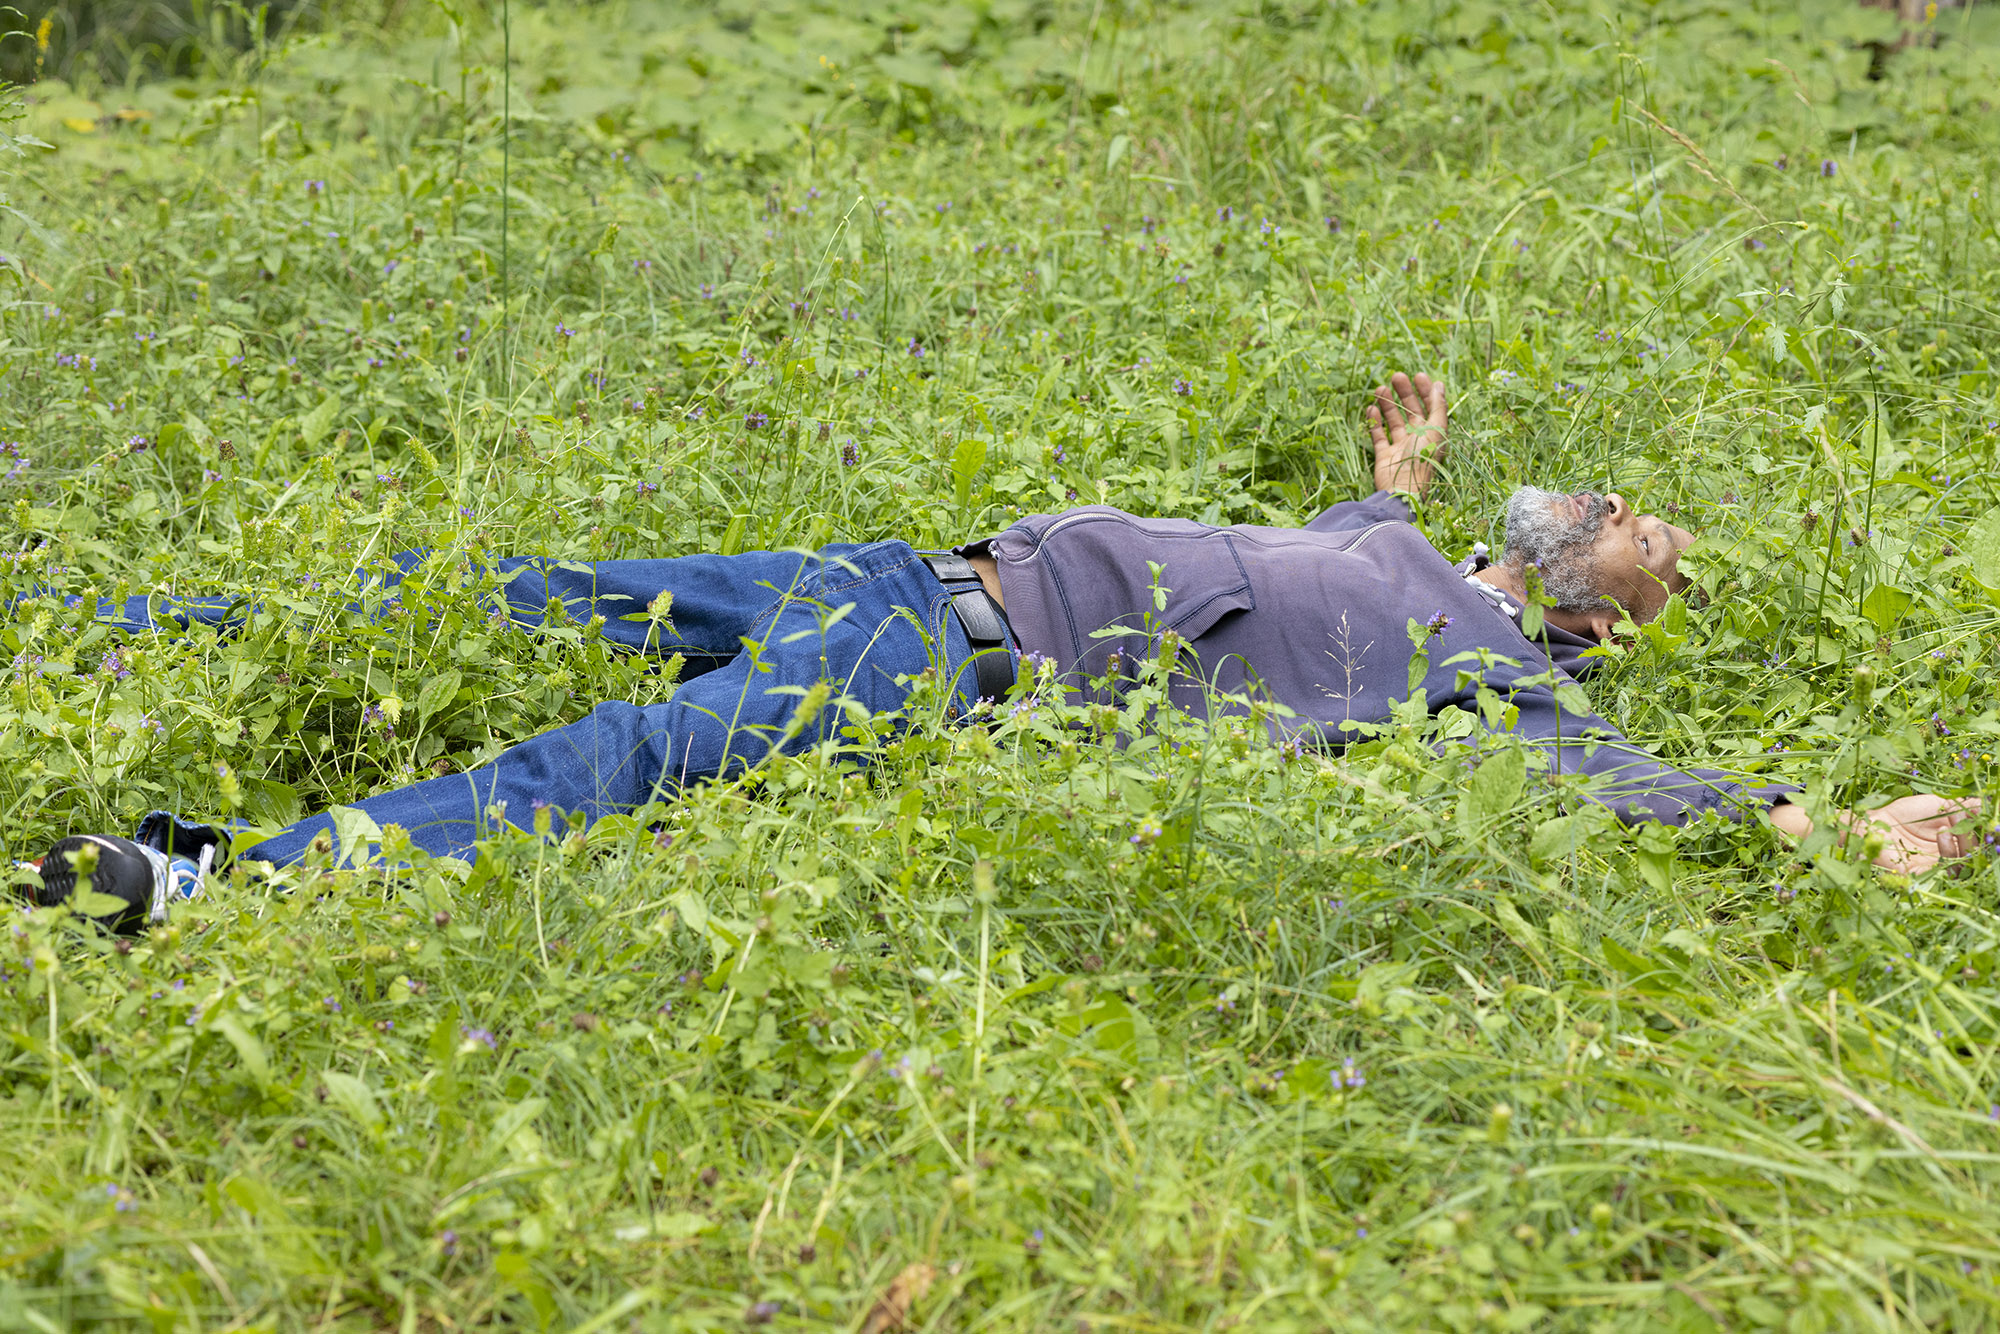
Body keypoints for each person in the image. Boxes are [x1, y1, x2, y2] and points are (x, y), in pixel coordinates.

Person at [20, 371, 1976, 931]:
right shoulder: (1400, 545)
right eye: (1646, 518)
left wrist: (1817, 822)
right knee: (516, 591)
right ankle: (96, 640)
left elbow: (1627, 789)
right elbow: (1344, 528)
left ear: (1577, 617)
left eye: (1647, 547)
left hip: (950, 666)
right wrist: (1404, 466)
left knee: (595, 766)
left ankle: (199, 882)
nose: (1637, 513)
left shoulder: (1497, 677)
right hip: (888, 566)